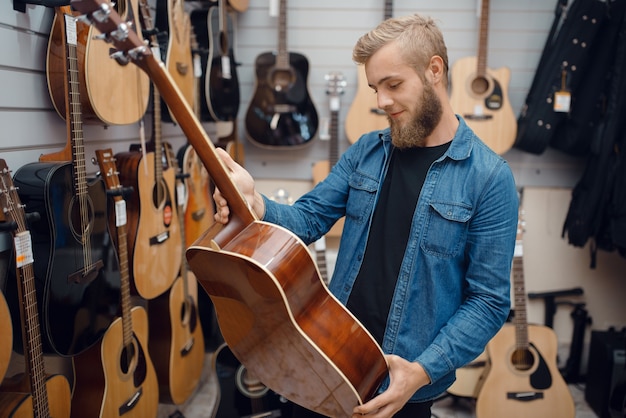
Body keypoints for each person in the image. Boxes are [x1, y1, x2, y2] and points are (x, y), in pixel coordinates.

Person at [213, 13, 519, 418]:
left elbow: (488, 302)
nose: (381, 102)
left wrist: (422, 371)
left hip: (403, 385)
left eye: (393, 85)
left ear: (434, 70)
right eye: (376, 88)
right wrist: (256, 203)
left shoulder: (489, 179)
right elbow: (307, 220)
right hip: (327, 359)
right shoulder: (366, 151)